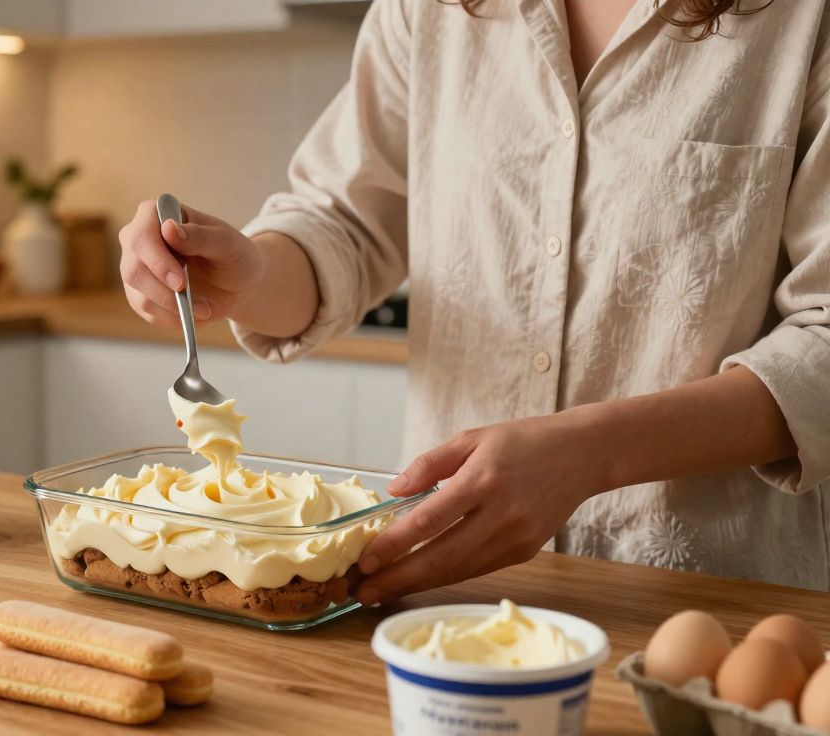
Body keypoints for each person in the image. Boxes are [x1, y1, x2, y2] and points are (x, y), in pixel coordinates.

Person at [117, 0, 830, 601]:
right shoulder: (429, 9)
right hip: (446, 600)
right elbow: (343, 223)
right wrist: (249, 271)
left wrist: (593, 454)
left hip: (705, 608)